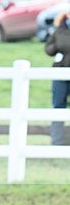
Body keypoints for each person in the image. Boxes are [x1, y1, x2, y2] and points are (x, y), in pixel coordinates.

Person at [45, 11, 70, 146]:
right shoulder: (58, 30)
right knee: (58, 106)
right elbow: (48, 49)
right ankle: (57, 140)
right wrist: (55, 47)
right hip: (60, 73)